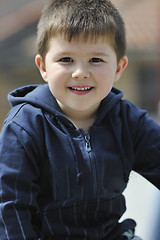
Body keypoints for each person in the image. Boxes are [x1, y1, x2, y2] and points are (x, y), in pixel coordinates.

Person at [0, 0, 159, 239]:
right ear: (43, 66)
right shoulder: (23, 128)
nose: (80, 72)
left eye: (96, 60)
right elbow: (10, 208)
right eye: (66, 60)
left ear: (118, 67)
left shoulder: (127, 121)